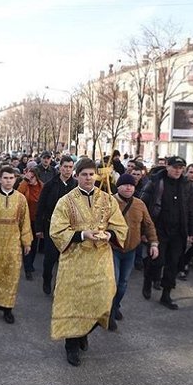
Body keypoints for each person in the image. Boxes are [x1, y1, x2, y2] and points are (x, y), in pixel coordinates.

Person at [49, 158, 128, 367]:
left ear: (96, 176)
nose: (88, 178)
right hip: (75, 260)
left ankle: (85, 330)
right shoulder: (65, 201)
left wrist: (109, 235)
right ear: (76, 176)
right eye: (83, 174)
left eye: (91, 174)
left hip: (100, 260)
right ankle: (71, 345)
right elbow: (56, 231)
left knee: (102, 301)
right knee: (74, 303)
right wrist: (83, 234)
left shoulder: (108, 199)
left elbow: (120, 226)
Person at [141, 156, 193, 310]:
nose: (178, 171)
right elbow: (143, 206)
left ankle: (166, 294)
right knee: (157, 261)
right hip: (159, 229)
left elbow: (191, 209)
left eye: (181, 168)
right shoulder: (156, 182)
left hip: (178, 232)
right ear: (167, 167)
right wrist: (144, 230)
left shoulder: (186, 185)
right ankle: (148, 280)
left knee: (173, 264)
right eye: (175, 167)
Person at [0, 167, 32, 324]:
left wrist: (26, 241)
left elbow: (25, 221)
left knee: (11, 276)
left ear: (15, 179)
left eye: (11, 178)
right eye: (6, 178)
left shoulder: (21, 199)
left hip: (13, 244)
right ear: (0, 179)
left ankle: (8, 308)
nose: (8, 180)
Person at [110, 174, 158, 331]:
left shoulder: (139, 204)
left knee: (123, 283)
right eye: (125, 185)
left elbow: (149, 224)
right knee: (114, 282)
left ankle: (116, 306)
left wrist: (154, 243)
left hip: (131, 250)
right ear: (118, 186)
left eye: (131, 185)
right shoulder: (109, 202)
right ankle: (109, 313)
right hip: (112, 249)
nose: (128, 187)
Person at [34, 155, 76, 294]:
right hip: (51, 226)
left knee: (66, 258)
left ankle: (60, 286)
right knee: (50, 257)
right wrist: (39, 228)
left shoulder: (75, 185)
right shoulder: (50, 185)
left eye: (70, 167)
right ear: (60, 167)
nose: (68, 170)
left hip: (69, 228)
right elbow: (41, 206)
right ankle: (47, 279)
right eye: (65, 167)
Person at [17, 166, 43, 281]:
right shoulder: (24, 185)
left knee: (34, 244)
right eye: (29, 177)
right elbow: (18, 195)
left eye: (32, 177)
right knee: (27, 243)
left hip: (37, 219)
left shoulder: (42, 186)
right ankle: (28, 269)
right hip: (26, 218)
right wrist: (25, 181)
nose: (31, 179)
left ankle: (30, 264)